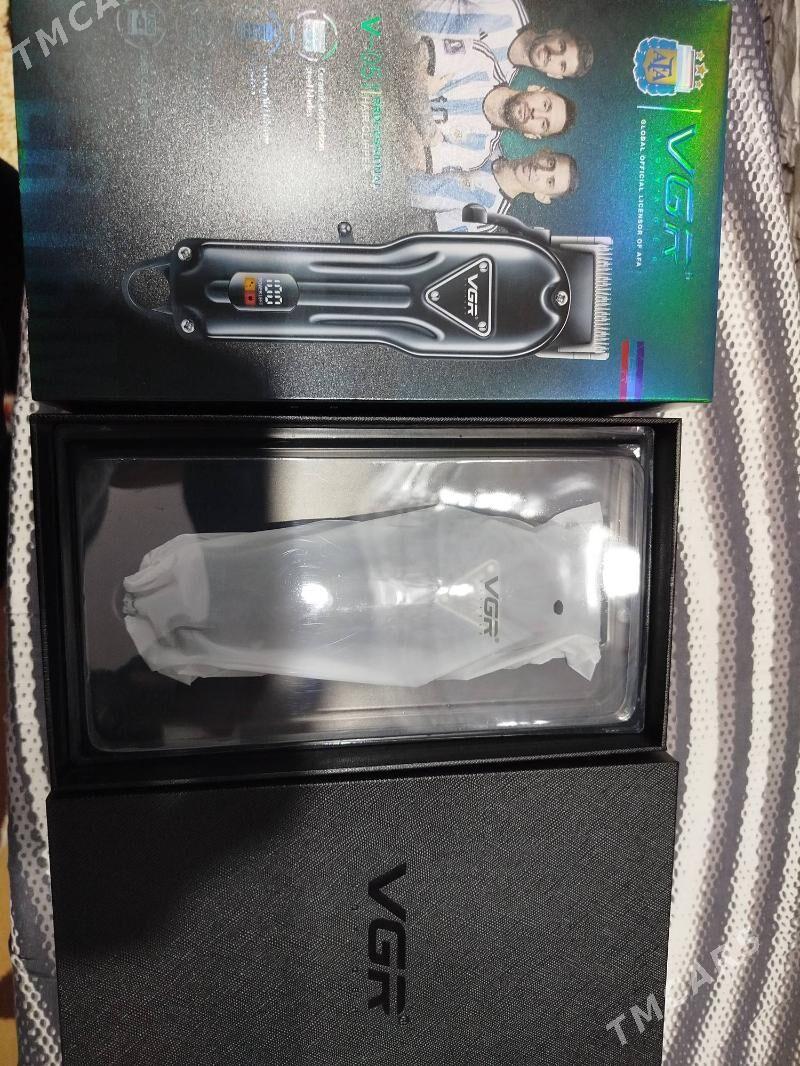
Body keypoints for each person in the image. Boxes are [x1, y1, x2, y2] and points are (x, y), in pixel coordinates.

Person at [410, 149, 579, 231]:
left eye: (549, 181)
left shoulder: (487, 215)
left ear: (542, 196)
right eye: (550, 163)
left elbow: (422, 231)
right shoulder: (491, 147)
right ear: (544, 152)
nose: (539, 171)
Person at [508, 26, 594, 79]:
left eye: (562, 65)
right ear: (554, 32)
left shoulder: (505, 79)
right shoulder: (511, 13)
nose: (553, 56)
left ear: (554, 75)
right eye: (561, 47)